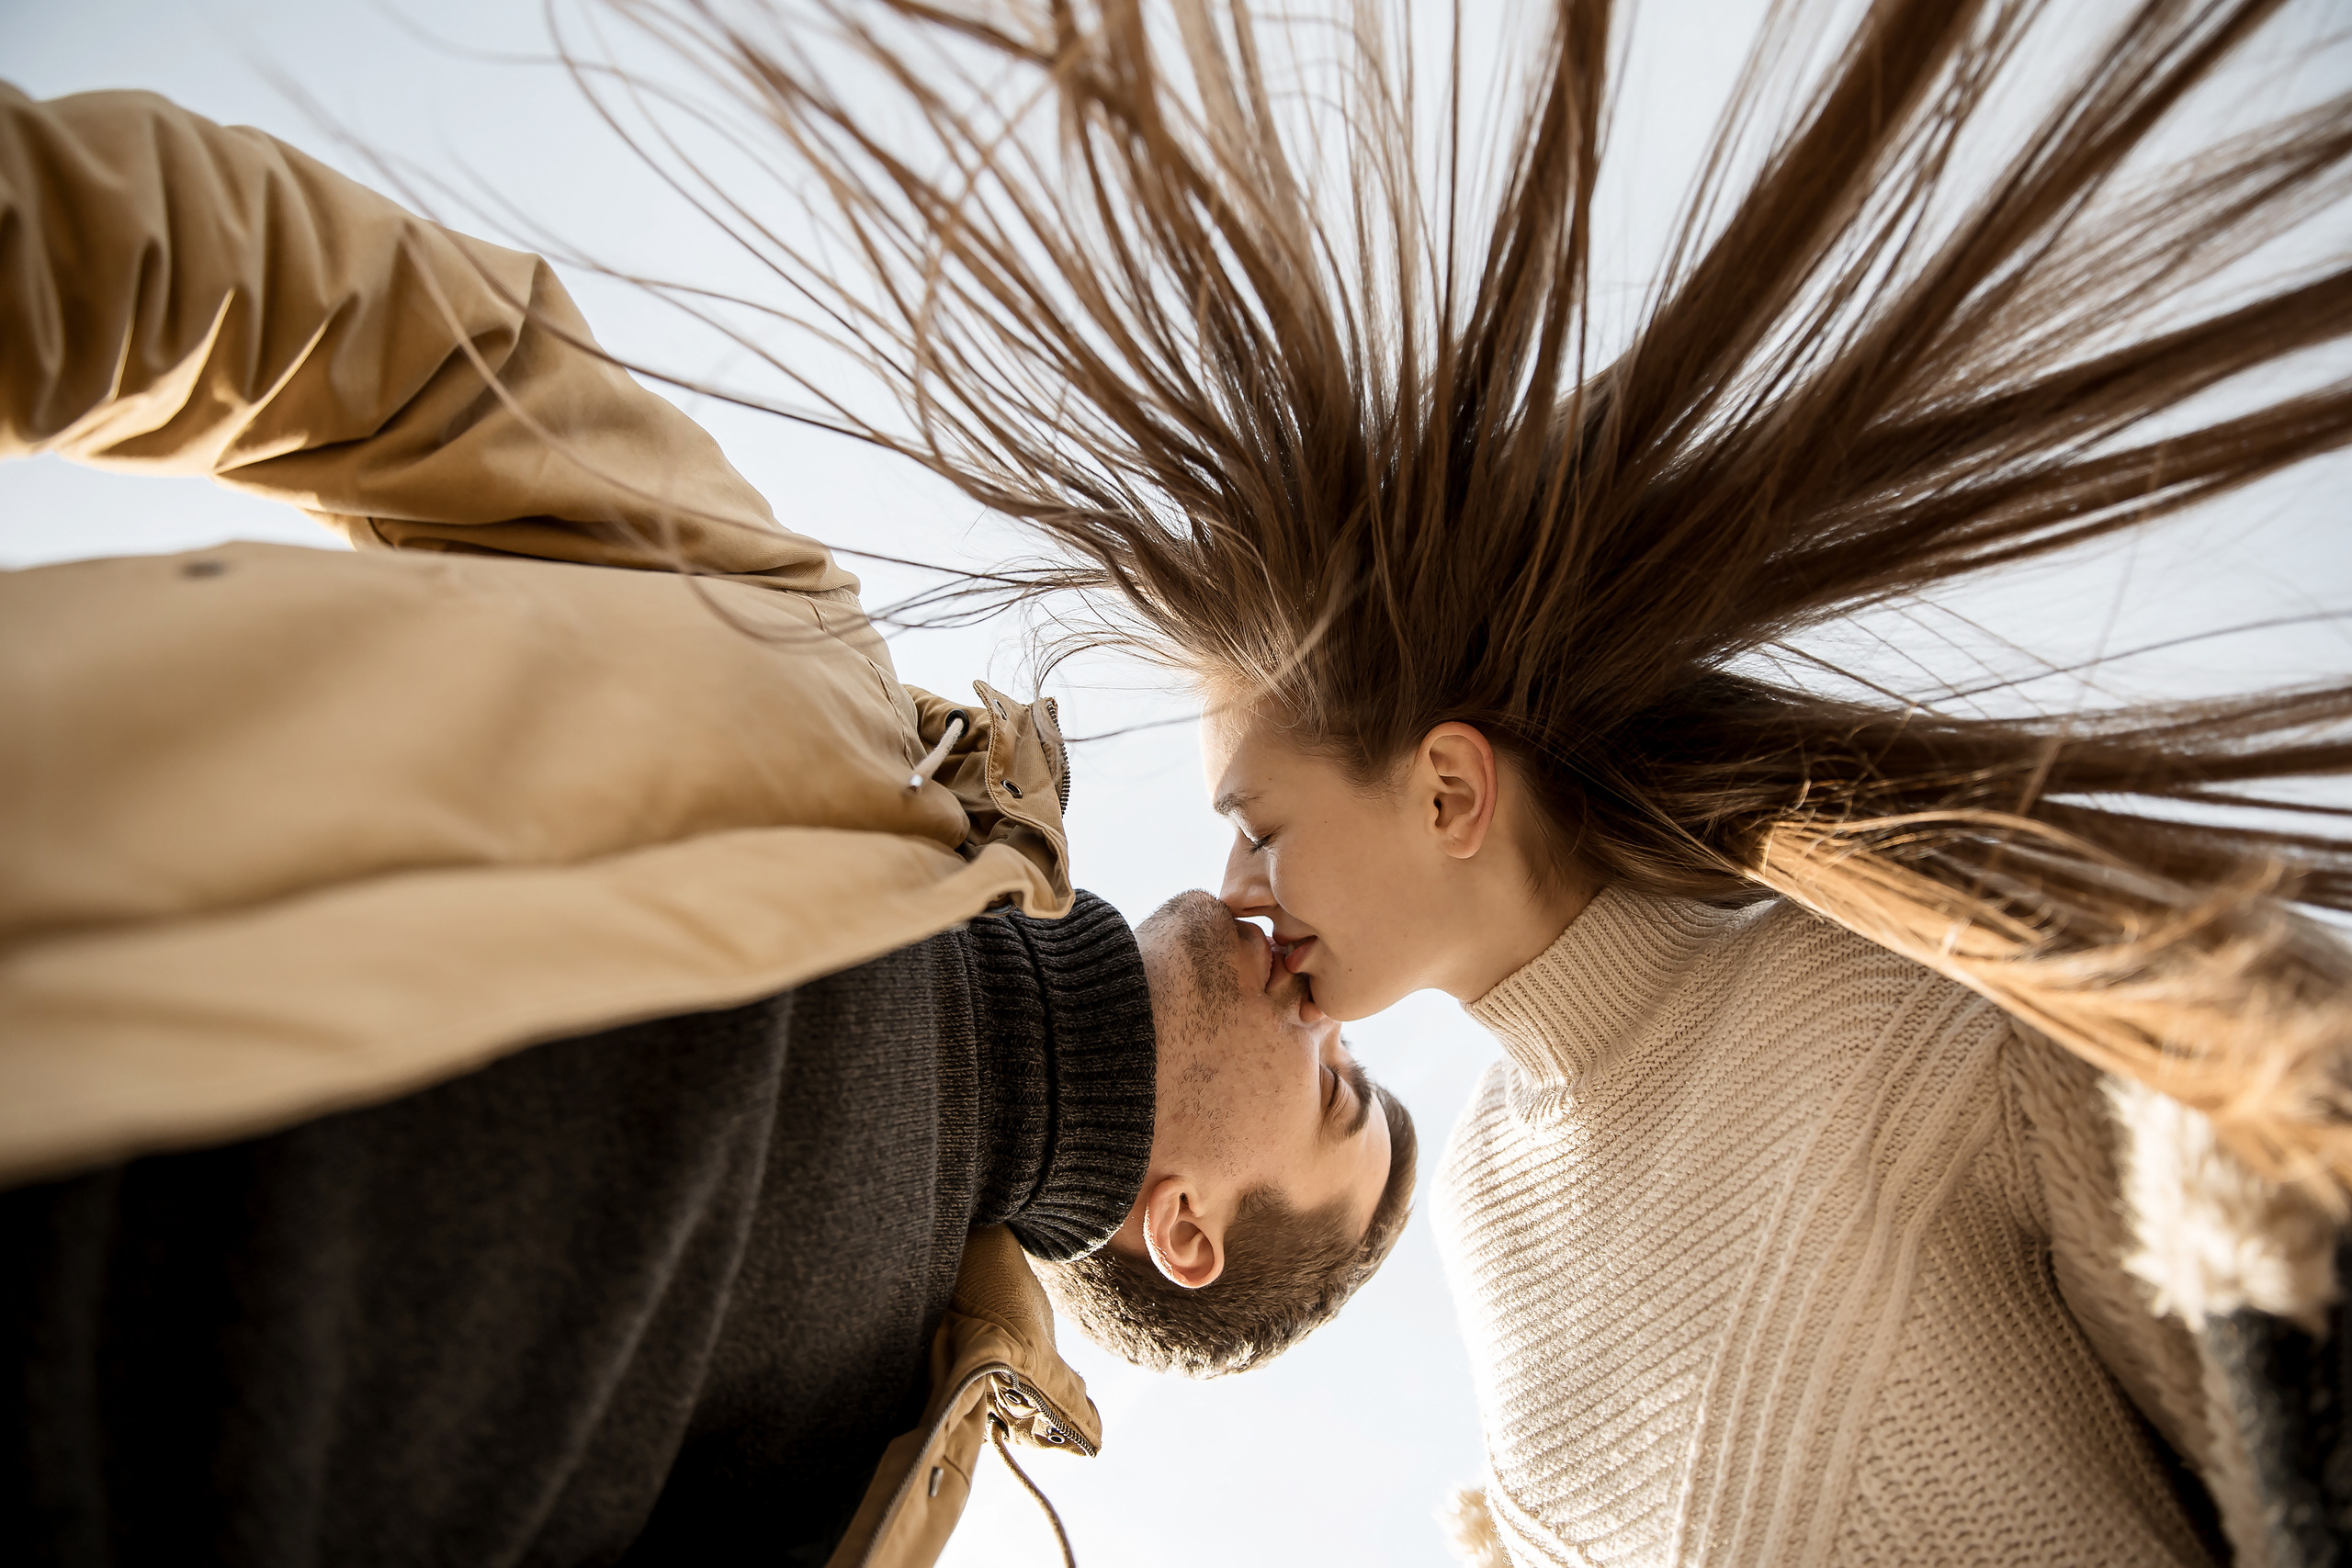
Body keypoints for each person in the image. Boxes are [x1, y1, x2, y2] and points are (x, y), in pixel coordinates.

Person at [594, 0, 2352, 1562]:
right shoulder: (1488, 1234)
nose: (1229, 879)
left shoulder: (1906, 1008)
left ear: (1447, 793)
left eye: (1264, 820)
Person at [0, 85, 1415, 1566]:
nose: (1328, 996)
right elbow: (368, 329)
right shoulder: (808, 658)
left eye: (1337, 1089)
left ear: (1186, 1232)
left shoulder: (848, 1492)